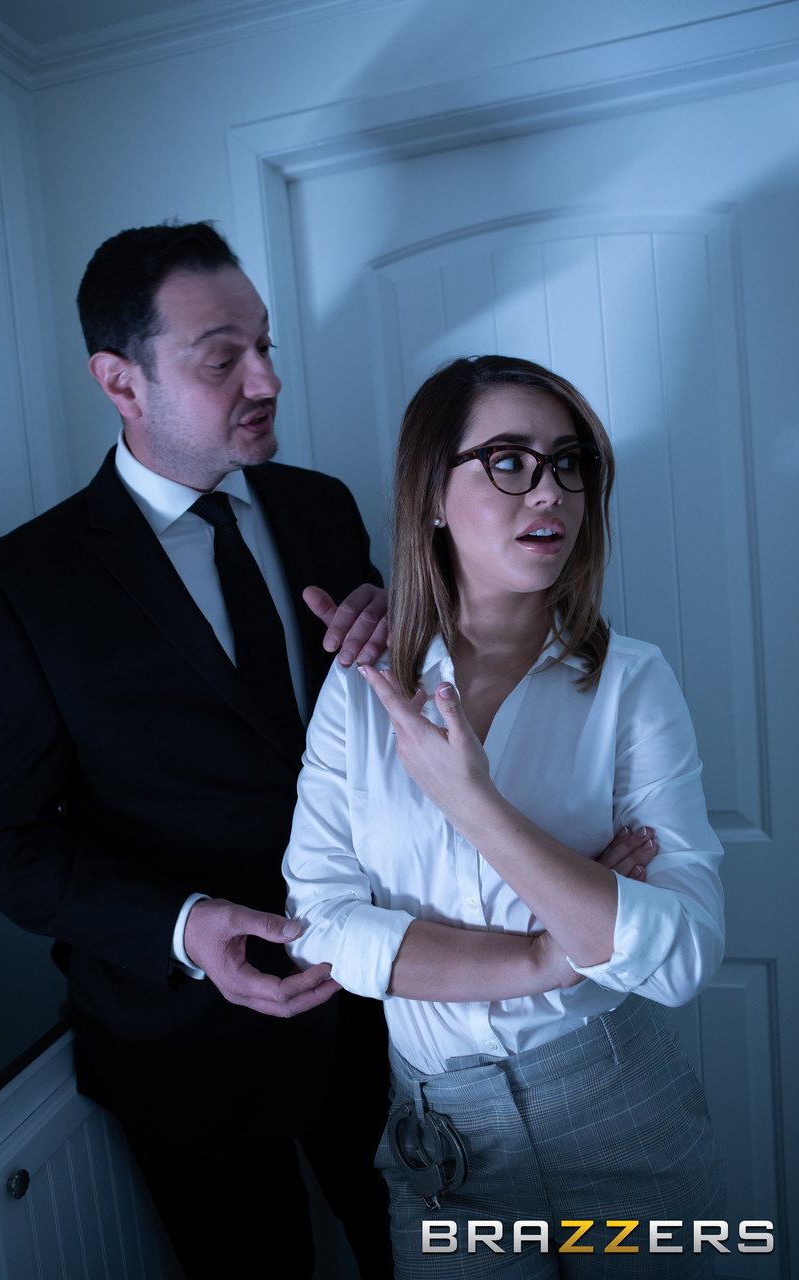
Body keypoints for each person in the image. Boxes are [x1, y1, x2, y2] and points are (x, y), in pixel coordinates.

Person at [0, 221, 394, 1279]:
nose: (267, 379)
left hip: (382, 996)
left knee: (423, 1259)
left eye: (264, 345)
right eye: (221, 357)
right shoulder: (23, 582)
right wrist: (183, 926)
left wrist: (397, 631)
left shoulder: (322, 507)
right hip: (184, 1044)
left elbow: (373, 724)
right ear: (120, 380)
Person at [283, 355, 727, 1277]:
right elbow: (318, 928)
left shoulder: (632, 684)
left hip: (619, 1120)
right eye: (509, 461)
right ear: (430, 497)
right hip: (441, 1143)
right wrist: (544, 956)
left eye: (568, 463)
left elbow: (682, 958)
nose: (550, 490)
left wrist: (473, 804)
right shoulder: (360, 692)